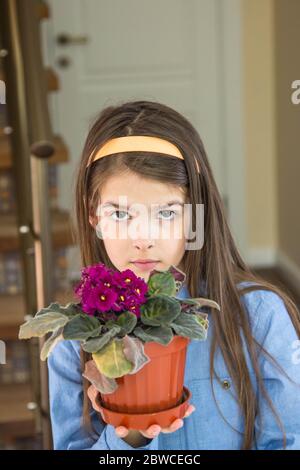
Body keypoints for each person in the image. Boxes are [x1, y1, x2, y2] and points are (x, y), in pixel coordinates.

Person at [47, 100, 300, 450]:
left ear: (194, 217)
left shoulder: (260, 316)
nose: (143, 239)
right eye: (120, 214)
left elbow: (288, 440)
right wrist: (129, 438)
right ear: (94, 217)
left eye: (166, 213)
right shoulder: (72, 345)